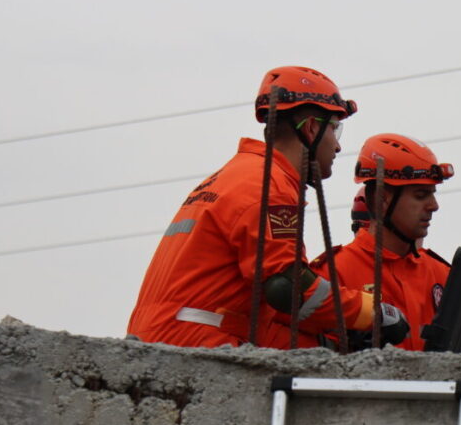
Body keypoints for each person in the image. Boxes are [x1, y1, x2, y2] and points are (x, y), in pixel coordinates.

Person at [127, 66, 408, 349]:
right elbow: (288, 288)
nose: (337, 146)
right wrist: (373, 312)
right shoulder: (269, 185)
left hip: (171, 333)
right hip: (196, 343)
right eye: (335, 128)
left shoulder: (239, 174)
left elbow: (269, 306)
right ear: (312, 128)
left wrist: (328, 345)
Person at [313, 133, 453, 350]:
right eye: (420, 195)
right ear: (382, 199)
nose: (434, 205)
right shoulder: (334, 273)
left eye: (432, 194)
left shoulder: (443, 275)